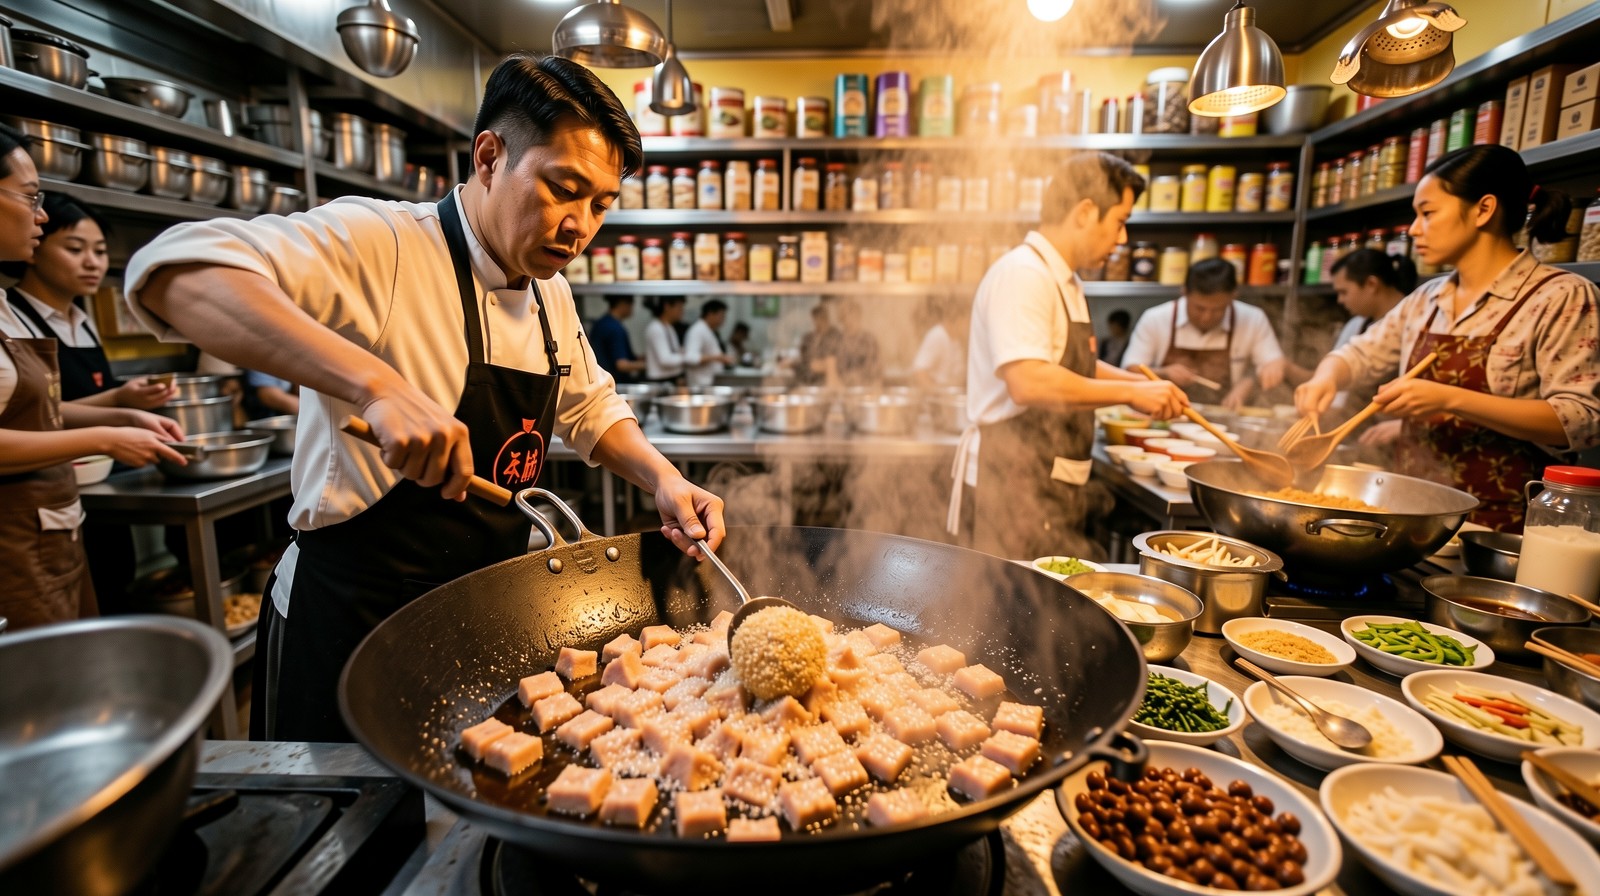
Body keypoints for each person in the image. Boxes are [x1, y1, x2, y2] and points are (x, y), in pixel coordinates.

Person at [123, 55, 726, 741]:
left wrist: (664, 477)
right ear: (491, 157)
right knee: (346, 837)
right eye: (564, 189)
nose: (581, 226)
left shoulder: (547, 288)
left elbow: (589, 408)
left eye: (601, 204)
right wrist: (374, 386)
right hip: (352, 621)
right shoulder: (383, 242)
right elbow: (175, 272)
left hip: (472, 616)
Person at [1296, 144, 1600, 531]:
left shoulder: (1561, 296)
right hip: (1413, 514)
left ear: (1483, 210)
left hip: (1500, 525)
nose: (1413, 229)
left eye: (1428, 213)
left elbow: (1580, 419)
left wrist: (1451, 399)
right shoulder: (1428, 297)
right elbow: (1359, 354)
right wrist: (1326, 376)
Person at [949, 152, 1187, 559]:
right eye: (1120, 222)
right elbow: (1029, 381)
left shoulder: (1064, 280)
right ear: (1085, 212)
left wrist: (1141, 384)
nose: (1122, 239)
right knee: (1004, 609)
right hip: (1011, 483)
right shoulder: (1025, 274)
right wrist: (1130, 396)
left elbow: (1068, 363)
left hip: (1045, 482)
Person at [0, 123, 185, 630]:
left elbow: (35, 411)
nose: (38, 214)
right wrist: (106, 433)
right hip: (15, 536)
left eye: (100, 252)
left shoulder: (24, 312)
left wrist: (123, 409)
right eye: (30, 197)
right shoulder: (13, 311)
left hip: (53, 523)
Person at [1121, 259, 1288, 409]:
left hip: (1225, 415)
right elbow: (1131, 370)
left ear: (1233, 296)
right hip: (1165, 414)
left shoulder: (1252, 318)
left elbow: (1271, 363)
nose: (1207, 317)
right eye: (1199, 308)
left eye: (1218, 310)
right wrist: (1164, 372)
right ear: (1184, 292)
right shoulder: (1156, 318)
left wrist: (1249, 381)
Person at [1328, 248, 1418, 449]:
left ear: (1371, 284)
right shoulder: (1357, 324)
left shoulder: (1420, 318)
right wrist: (1324, 378)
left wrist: (1406, 425)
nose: (1340, 300)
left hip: (1404, 444)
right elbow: (1349, 359)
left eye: (1344, 292)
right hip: (1358, 438)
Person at [911, 296, 969, 389]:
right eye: (966, 320)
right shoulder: (937, 336)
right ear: (958, 319)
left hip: (951, 397)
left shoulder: (956, 339)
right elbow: (919, 372)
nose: (967, 325)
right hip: (938, 400)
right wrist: (936, 396)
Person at [587, 294, 646, 382]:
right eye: (631, 304)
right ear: (622, 304)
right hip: (613, 381)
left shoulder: (602, 323)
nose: (632, 308)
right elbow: (622, 364)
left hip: (600, 379)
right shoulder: (614, 328)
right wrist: (649, 365)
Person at [683, 299, 733, 388]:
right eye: (721, 316)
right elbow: (690, 358)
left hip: (708, 382)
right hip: (699, 385)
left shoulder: (707, 330)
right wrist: (717, 358)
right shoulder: (698, 330)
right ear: (710, 314)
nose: (723, 320)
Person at [642, 295, 687, 384]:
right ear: (667, 307)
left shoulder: (669, 327)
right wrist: (688, 357)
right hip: (659, 380)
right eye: (679, 307)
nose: (682, 311)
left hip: (672, 377)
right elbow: (665, 360)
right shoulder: (656, 328)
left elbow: (675, 351)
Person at [794, 302, 841, 385]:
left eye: (821, 319)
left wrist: (823, 365)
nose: (817, 323)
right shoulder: (808, 338)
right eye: (815, 319)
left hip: (829, 382)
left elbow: (839, 362)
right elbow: (803, 359)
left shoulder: (836, 336)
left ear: (826, 319)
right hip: (809, 382)